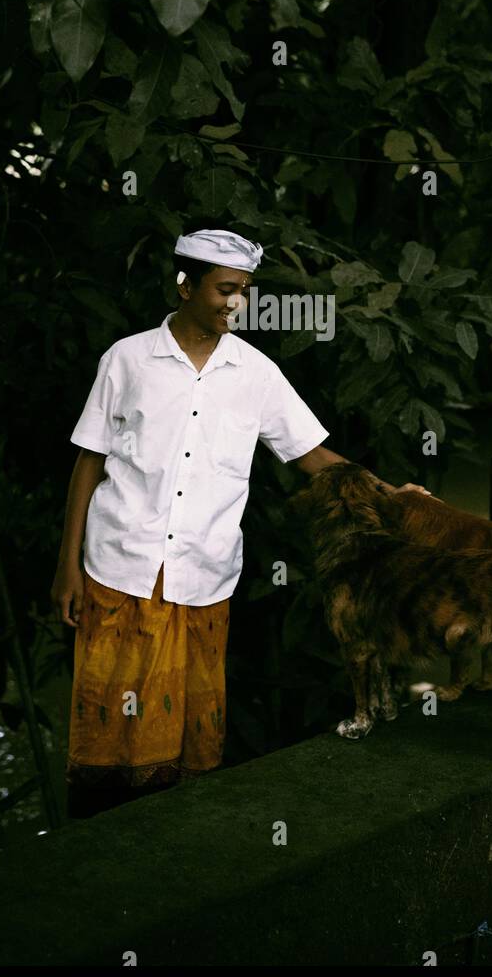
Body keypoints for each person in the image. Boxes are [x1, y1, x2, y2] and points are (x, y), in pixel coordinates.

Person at [51, 228, 428, 818]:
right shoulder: (126, 359)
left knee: (185, 748)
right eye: (225, 288)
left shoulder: (256, 374)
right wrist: (66, 566)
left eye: (245, 291)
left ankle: (170, 851)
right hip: (118, 571)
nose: (235, 303)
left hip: (202, 580)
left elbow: (312, 457)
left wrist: (389, 493)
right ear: (185, 285)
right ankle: (93, 849)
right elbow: (88, 462)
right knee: (106, 741)